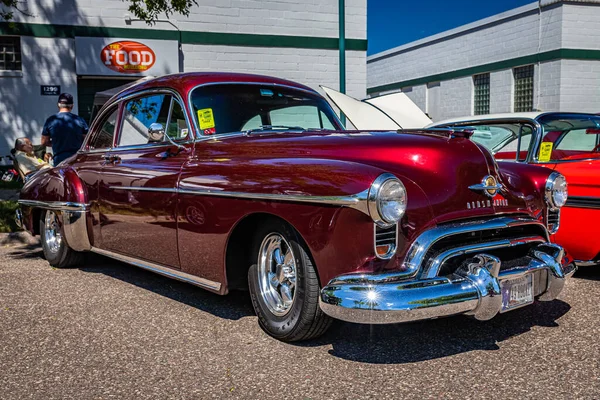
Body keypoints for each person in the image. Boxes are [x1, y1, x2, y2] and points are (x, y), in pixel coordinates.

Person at [41, 93, 89, 165]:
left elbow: (44, 142)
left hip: (59, 160)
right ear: (72, 106)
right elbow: (87, 140)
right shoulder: (80, 120)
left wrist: (56, 143)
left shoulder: (50, 120)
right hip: (76, 159)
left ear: (58, 105)